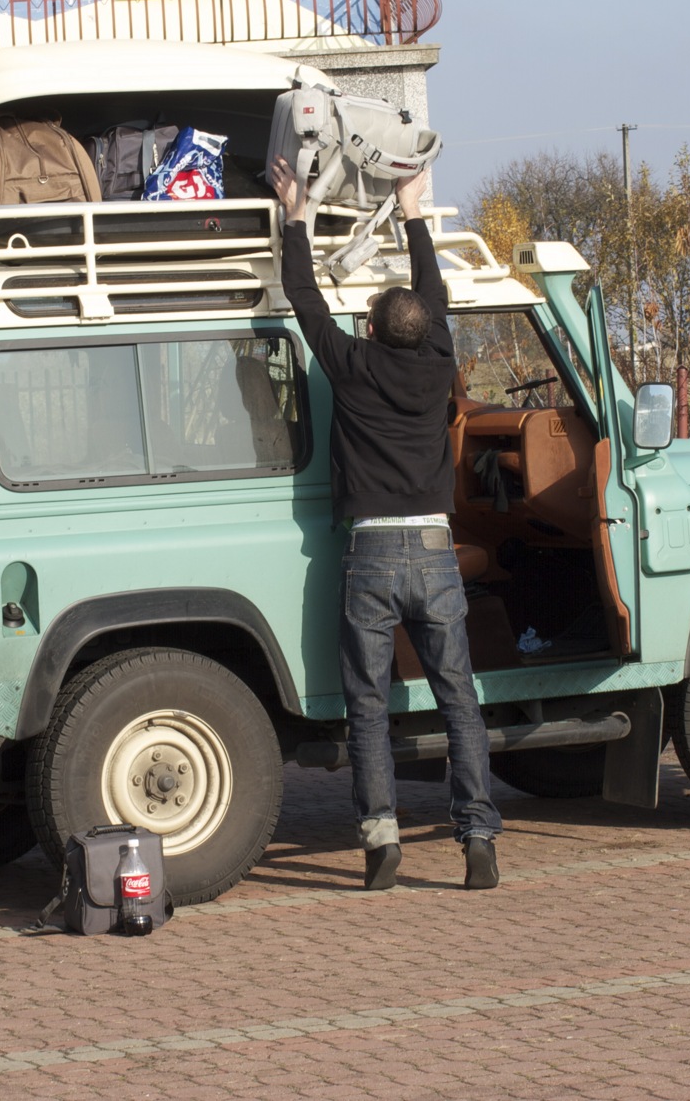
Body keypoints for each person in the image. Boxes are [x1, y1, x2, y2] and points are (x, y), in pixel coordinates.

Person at [271, 155, 501, 891]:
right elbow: (430, 294)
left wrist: (295, 214)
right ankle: (479, 842)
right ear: (425, 332)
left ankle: (380, 846)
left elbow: (302, 296)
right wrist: (413, 209)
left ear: (368, 327)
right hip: (435, 552)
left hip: (369, 554)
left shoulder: (352, 365)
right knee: (458, 697)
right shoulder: (437, 364)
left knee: (368, 706)